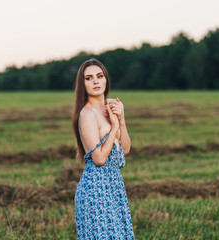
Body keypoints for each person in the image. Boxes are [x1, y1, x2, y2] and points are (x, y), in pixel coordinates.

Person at [72, 58, 135, 239]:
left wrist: (121, 121)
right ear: (82, 84)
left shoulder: (110, 106)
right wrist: (114, 127)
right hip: (95, 189)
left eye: (99, 76)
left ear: (106, 79)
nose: (96, 81)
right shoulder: (86, 114)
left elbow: (125, 149)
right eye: (89, 78)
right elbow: (99, 159)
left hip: (113, 185)